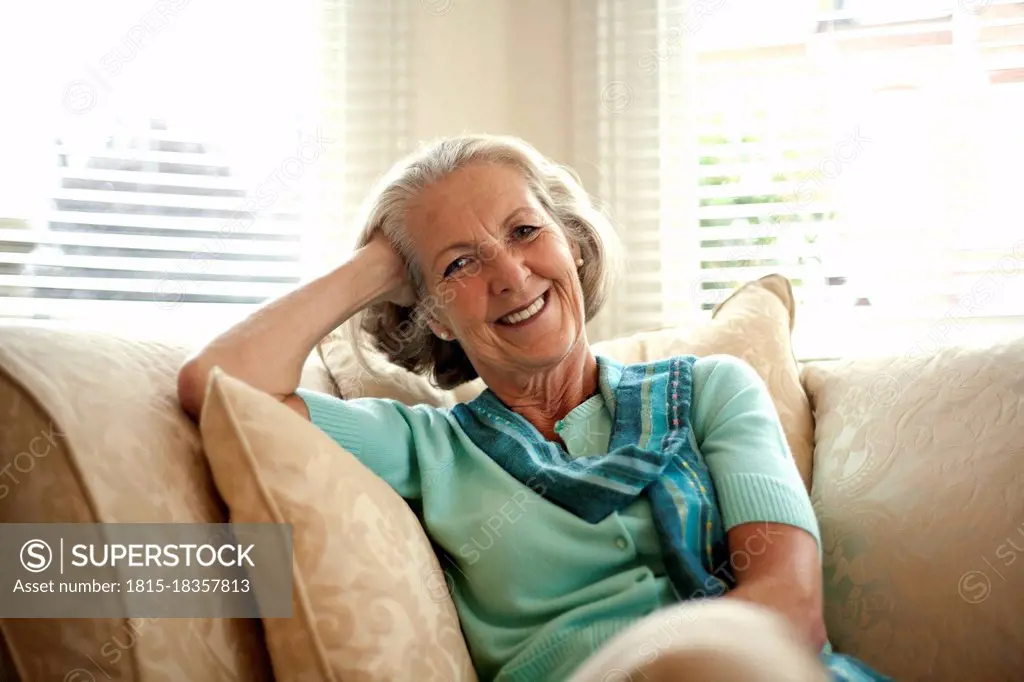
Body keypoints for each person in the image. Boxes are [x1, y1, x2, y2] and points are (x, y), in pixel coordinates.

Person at [177, 134, 893, 682]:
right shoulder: (427, 448)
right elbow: (220, 386)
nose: (511, 275)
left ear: (574, 247)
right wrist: (380, 263)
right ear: (431, 316)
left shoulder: (712, 391)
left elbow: (790, 609)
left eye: (524, 232)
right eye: (459, 265)